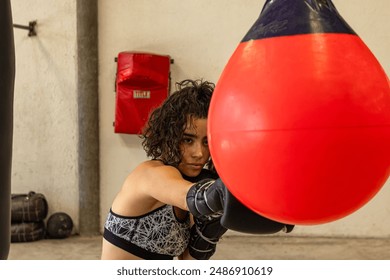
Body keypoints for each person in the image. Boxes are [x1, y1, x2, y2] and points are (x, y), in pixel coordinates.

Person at [101, 79, 227, 260]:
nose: (199, 153)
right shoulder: (151, 175)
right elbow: (200, 199)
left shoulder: (193, 184)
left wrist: (207, 236)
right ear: (170, 136)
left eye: (206, 142)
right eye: (188, 140)